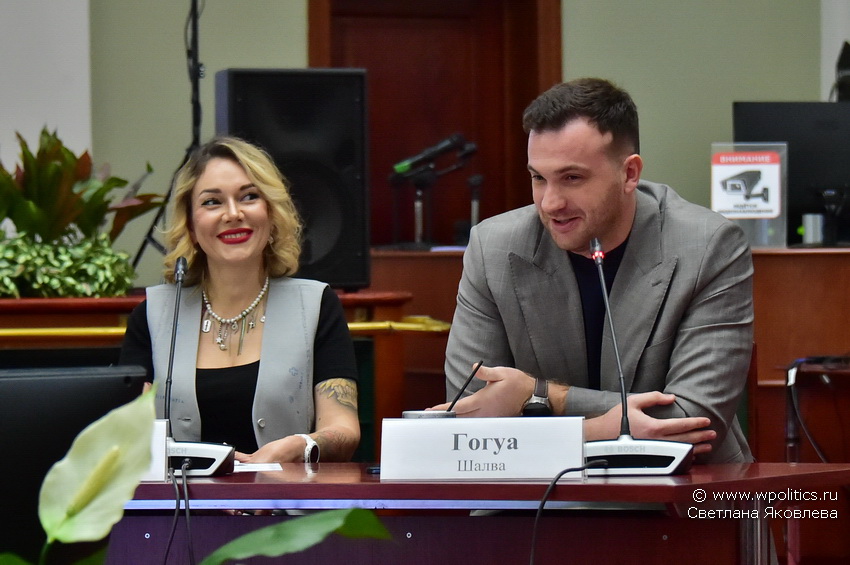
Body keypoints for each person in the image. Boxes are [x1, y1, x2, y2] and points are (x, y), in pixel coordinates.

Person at [434, 78, 753, 463]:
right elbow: (469, 420)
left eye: (572, 178)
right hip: (535, 491)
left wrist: (543, 396)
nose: (550, 203)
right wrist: (598, 430)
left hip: (684, 488)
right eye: (539, 178)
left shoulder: (708, 246)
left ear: (629, 173)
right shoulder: (494, 248)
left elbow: (691, 422)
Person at [120, 136, 360, 464]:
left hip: (285, 495)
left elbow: (344, 430)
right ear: (191, 226)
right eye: (212, 202)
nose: (233, 214)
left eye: (249, 197)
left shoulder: (316, 306)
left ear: (271, 213)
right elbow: (127, 435)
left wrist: (300, 446)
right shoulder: (154, 315)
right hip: (182, 498)